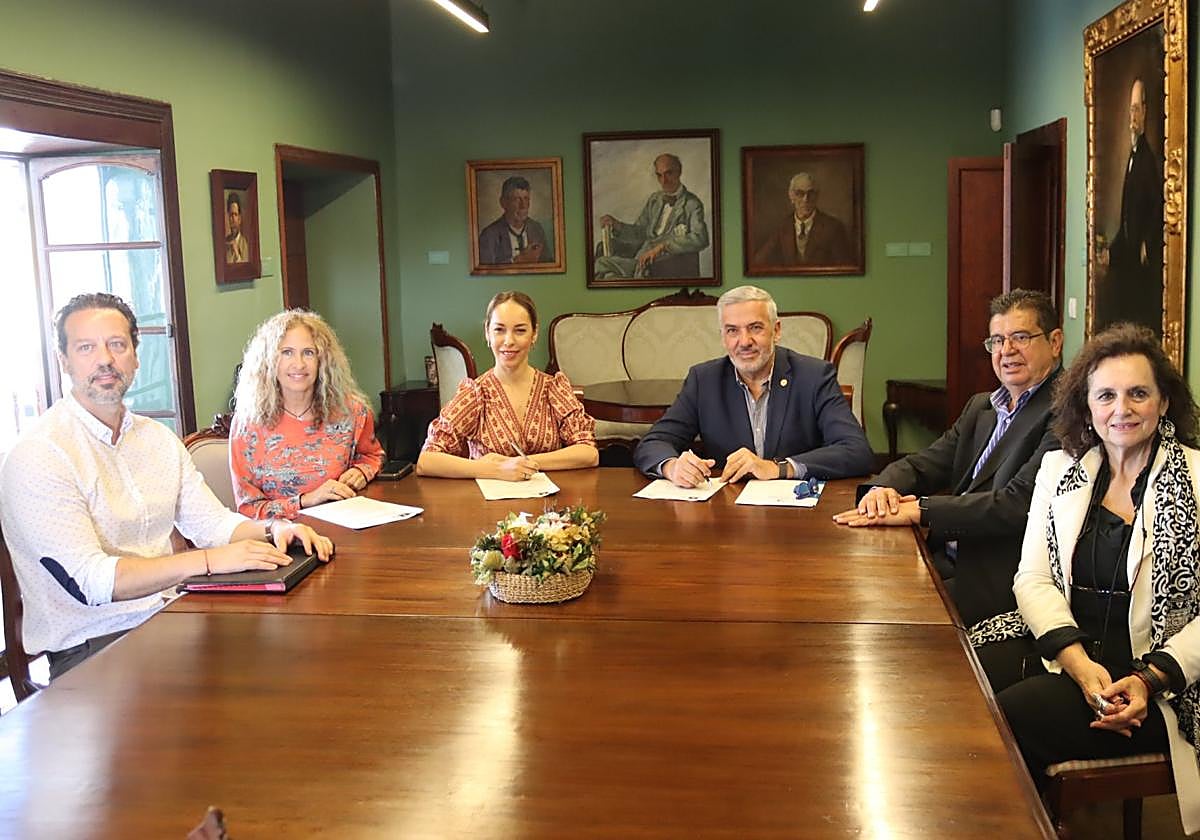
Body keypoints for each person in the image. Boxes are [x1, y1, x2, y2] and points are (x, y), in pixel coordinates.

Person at [0, 293, 333, 680]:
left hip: (173, 618)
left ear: (135, 357)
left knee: (303, 661)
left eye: (117, 344)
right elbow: (90, 583)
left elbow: (211, 525)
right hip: (93, 649)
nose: (105, 359)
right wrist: (206, 562)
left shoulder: (156, 438)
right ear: (64, 361)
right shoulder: (40, 454)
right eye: (87, 347)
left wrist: (275, 529)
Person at [995, 324, 1200, 834]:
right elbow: (1033, 579)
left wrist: (1150, 680)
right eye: (1105, 394)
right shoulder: (1059, 470)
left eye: (1138, 393)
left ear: (1164, 402)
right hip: (1077, 657)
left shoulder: (1197, 479)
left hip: (1169, 683)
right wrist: (1079, 665)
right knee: (960, 679)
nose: (1121, 409)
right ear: (1086, 406)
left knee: (1009, 715)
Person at [832, 289, 1064, 689]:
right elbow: (926, 462)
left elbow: (1016, 506)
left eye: (1021, 337)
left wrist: (920, 509)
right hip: (946, 555)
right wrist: (882, 490)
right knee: (850, 591)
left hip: (996, 577)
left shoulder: (1065, 412)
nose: (1007, 351)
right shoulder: (983, 407)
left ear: (1055, 341)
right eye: (997, 340)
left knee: (881, 626)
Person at [633, 285, 872, 487]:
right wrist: (673, 467)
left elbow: (856, 451)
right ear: (723, 337)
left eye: (755, 328)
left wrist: (778, 468)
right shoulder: (704, 380)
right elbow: (653, 443)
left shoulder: (814, 376)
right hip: (727, 515)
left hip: (798, 514)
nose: (744, 341)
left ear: (776, 331)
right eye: (732, 331)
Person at [416, 291, 598, 479]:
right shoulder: (476, 393)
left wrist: (524, 464)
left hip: (548, 505)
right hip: (488, 506)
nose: (509, 341)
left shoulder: (554, 388)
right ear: (487, 332)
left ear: (534, 334)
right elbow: (427, 460)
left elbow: (588, 452)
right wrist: (495, 470)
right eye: (499, 330)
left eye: (520, 330)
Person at [229, 309, 384, 519]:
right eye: (287, 352)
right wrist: (306, 500)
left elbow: (372, 455)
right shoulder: (247, 424)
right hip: (280, 539)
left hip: (346, 527)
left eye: (308, 353)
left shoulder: (352, 412)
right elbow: (249, 509)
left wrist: (361, 472)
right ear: (268, 361)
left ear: (323, 361)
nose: (299, 364)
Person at [1096, 78, 1163, 334]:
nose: (1132, 116)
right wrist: (1113, 249)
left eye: (1137, 108)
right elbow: (1127, 217)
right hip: (1127, 259)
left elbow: (1154, 209)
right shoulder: (1132, 157)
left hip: (1140, 266)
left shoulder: (1147, 160)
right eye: (1130, 109)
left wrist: (1146, 241)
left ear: (1145, 111)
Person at [593, 153, 709, 280]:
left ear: (679, 172)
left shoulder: (692, 204)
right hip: (640, 261)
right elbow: (639, 232)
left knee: (603, 267)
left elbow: (700, 238)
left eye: (668, 173)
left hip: (665, 265)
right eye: (659, 175)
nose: (664, 181)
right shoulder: (655, 200)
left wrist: (664, 246)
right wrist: (617, 225)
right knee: (605, 270)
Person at [753, 172, 852, 266]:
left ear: (817, 196)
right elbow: (759, 261)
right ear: (791, 196)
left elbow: (845, 265)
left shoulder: (833, 227)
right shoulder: (783, 226)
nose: (806, 199)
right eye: (800, 193)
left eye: (811, 193)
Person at [477, 176, 554, 265]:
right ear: (503, 203)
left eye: (526, 199)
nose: (523, 206)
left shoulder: (536, 228)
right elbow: (485, 272)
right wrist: (518, 260)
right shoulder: (489, 235)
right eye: (517, 199)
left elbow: (549, 264)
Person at [225, 192, 249, 264]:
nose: (233, 219)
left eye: (235, 214)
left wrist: (237, 253)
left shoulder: (246, 244)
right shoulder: (224, 244)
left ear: (239, 218)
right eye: (231, 215)